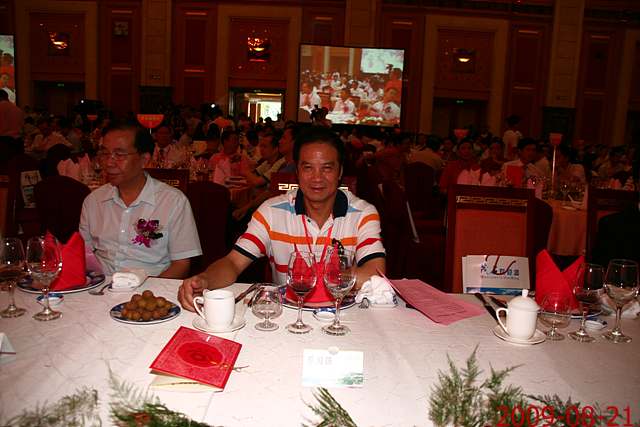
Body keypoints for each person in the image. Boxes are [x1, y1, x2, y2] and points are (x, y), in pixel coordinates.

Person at [178, 126, 386, 311]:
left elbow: (375, 273)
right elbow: (233, 263)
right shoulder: (271, 212)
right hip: (287, 316)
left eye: (327, 168)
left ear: (340, 172)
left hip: (342, 316)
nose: (317, 178)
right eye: (308, 168)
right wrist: (205, 280)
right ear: (297, 172)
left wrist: (315, 276)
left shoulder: (362, 214)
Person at [80, 121, 202, 278]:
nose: (109, 162)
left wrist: (149, 291)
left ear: (144, 159)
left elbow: (181, 264)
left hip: (151, 285)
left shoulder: (173, 201)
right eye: (104, 153)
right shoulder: (93, 201)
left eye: (119, 155)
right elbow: (83, 254)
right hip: (102, 284)